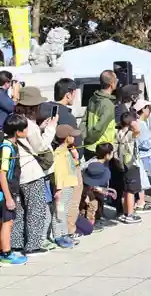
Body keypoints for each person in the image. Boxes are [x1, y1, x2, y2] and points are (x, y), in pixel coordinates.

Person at [12, 86, 57, 256]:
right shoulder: (29, 125)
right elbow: (41, 147)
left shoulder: (14, 120)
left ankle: (16, 244)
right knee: (35, 209)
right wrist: (51, 128)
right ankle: (33, 245)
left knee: (20, 210)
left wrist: (41, 127)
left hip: (18, 173)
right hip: (32, 172)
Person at [39, 78, 83, 239]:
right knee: (69, 200)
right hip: (67, 161)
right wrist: (77, 158)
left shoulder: (44, 110)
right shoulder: (66, 116)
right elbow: (77, 143)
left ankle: (51, 232)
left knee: (53, 201)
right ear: (68, 94)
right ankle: (67, 232)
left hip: (48, 162)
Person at [0, 114, 28, 265]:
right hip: (5, 193)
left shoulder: (12, 145)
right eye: (25, 128)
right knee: (7, 222)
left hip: (10, 190)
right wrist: (8, 197)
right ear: (18, 131)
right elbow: (2, 174)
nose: (27, 131)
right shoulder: (7, 148)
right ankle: (6, 254)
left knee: (7, 221)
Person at [50, 125, 81, 248]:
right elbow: (58, 172)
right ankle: (58, 236)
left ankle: (64, 234)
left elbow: (72, 166)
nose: (74, 137)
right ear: (66, 137)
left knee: (65, 211)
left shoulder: (67, 151)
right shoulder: (59, 153)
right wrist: (58, 189)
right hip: (63, 187)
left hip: (69, 185)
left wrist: (75, 157)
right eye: (72, 135)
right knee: (59, 212)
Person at [81, 70, 118, 161]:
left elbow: (83, 121)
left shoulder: (92, 98)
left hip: (89, 147)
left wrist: (85, 139)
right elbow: (99, 128)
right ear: (112, 84)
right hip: (101, 150)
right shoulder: (108, 105)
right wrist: (90, 139)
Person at [116, 112, 142, 224]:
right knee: (131, 191)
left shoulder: (118, 132)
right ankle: (130, 214)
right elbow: (137, 132)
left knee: (125, 190)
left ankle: (125, 212)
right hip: (131, 164)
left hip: (122, 164)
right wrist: (135, 125)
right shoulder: (130, 134)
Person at [80, 143, 114, 227]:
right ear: (107, 155)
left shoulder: (97, 161)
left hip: (91, 187)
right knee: (92, 204)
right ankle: (88, 224)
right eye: (112, 152)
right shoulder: (94, 165)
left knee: (98, 200)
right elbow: (88, 180)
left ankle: (97, 218)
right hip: (85, 187)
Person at [133, 99, 151, 212]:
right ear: (143, 109)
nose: (149, 110)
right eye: (147, 108)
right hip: (144, 155)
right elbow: (144, 142)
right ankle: (141, 202)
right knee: (143, 179)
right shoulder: (140, 124)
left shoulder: (140, 123)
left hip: (143, 154)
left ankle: (140, 201)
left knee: (143, 178)